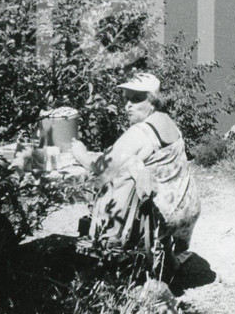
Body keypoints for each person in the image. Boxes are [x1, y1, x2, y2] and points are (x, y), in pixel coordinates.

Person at [71, 72, 201, 256]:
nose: (128, 106)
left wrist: (80, 153)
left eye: (137, 99)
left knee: (112, 183)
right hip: (186, 211)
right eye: (127, 99)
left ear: (152, 101)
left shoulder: (140, 132)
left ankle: (109, 246)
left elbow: (102, 167)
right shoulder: (168, 122)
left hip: (162, 218)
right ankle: (168, 259)